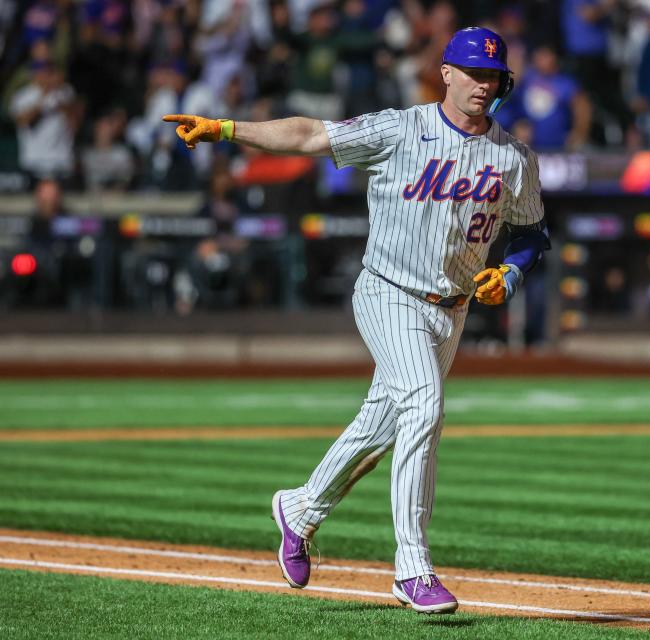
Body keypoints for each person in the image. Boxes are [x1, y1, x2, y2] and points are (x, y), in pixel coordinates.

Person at [162, 26, 549, 614]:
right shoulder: (400, 128)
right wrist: (224, 127)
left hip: (453, 309)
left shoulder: (513, 156)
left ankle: (301, 509)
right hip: (389, 291)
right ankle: (412, 568)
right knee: (424, 404)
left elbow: (531, 232)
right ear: (445, 73)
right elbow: (311, 133)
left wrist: (513, 274)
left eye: (492, 74)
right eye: (472, 72)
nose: (482, 83)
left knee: (381, 426)